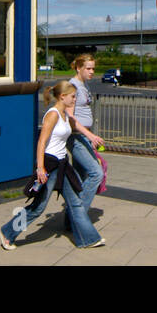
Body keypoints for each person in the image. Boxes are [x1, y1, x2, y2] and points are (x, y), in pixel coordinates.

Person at [0, 80, 104, 250]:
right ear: (62, 97)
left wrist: (91, 137)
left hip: (63, 165)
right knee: (38, 208)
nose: (75, 99)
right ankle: (8, 232)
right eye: (72, 96)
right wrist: (40, 168)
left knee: (76, 203)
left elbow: (75, 125)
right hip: (49, 166)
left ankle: (89, 239)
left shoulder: (65, 115)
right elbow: (41, 142)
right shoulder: (53, 114)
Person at [65, 54, 106, 229]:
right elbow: (70, 117)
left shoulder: (83, 85)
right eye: (88, 68)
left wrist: (89, 135)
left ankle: (70, 220)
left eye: (93, 68)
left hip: (83, 136)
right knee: (96, 173)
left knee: (79, 178)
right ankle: (78, 217)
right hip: (76, 137)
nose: (92, 72)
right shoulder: (72, 86)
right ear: (78, 68)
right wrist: (89, 136)